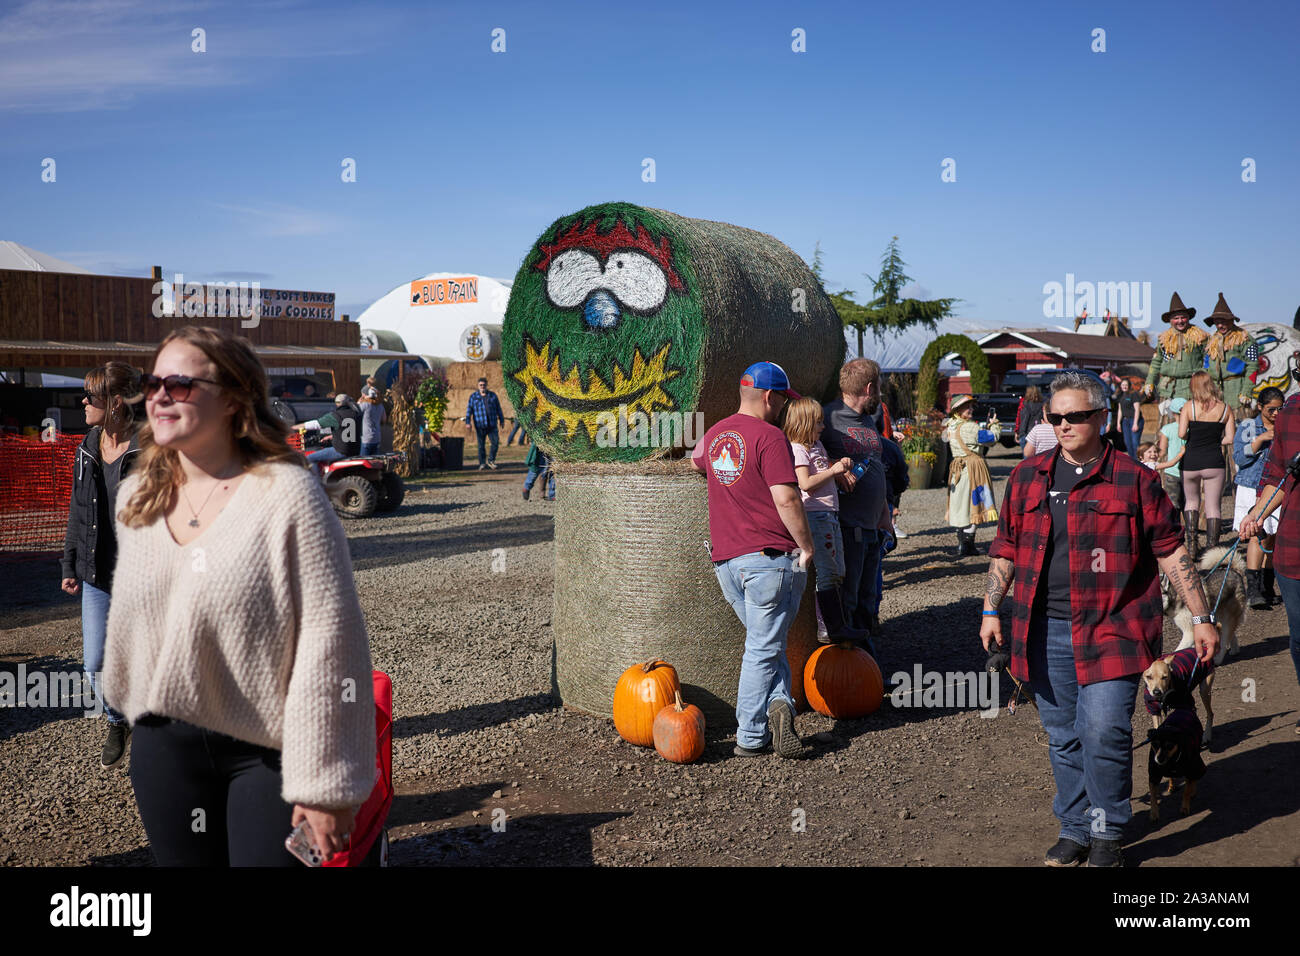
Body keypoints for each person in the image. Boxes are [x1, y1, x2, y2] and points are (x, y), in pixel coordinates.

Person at [103, 326, 375, 866]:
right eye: (151, 381)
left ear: (232, 397)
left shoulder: (287, 495)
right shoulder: (137, 496)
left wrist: (327, 784)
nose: (157, 395)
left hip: (267, 756)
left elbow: (331, 641)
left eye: (178, 384)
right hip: (164, 747)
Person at [982, 369, 1218, 867]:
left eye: (1076, 416)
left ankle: (1108, 829)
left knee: (1106, 730)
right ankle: (1075, 827)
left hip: (1115, 625)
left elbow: (1171, 552)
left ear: (1102, 416)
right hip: (1042, 629)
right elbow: (1005, 549)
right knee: (1063, 736)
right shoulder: (1027, 477)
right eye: (1056, 417)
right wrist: (989, 608)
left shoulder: (1136, 478)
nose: (1064, 425)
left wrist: (1201, 618)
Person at [692, 361, 813, 758]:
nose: (782, 409)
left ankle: (780, 704)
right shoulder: (770, 437)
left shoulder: (714, 434)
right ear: (768, 396)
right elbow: (787, 497)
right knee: (761, 649)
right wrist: (807, 546)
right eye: (781, 400)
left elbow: (696, 460)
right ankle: (750, 736)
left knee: (766, 644)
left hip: (726, 562)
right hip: (769, 561)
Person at [60, 362, 143, 768]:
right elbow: (77, 509)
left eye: (90, 397)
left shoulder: (152, 448)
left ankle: (150, 730)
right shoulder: (87, 445)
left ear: (113, 404)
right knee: (95, 662)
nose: (83, 402)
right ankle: (117, 718)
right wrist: (68, 565)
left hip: (142, 577)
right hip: (96, 573)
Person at [781, 396, 866, 645]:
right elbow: (805, 483)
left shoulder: (816, 446)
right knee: (828, 573)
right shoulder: (798, 449)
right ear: (805, 424)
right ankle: (830, 627)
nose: (823, 427)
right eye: (818, 422)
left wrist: (840, 465)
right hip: (816, 516)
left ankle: (833, 624)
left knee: (838, 570)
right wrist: (834, 471)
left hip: (829, 515)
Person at [820, 359, 894, 641]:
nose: (879, 394)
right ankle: (848, 670)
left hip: (872, 525)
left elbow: (874, 463)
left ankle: (868, 668)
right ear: (869, 387)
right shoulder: (828, 417)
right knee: (848, 601)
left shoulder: (867, 418)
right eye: (878, 388)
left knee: (869, 599)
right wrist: (833, 468)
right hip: (848, 527)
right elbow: (800, 454)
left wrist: (884, 512)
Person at [1240, 390, 1300, 732]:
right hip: (1293, 548)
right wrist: (1258, 513)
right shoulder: (1291, 412)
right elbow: (1278, 471)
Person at [1233, 387, 1285, 608]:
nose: (1275, 413)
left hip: (1276, 488)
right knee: (1257, 534)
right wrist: (1261, 439)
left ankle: (1266, 586)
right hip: (1253, 485)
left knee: (1273, 537)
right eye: (1271, 409)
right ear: (1260, 407)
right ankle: (1253, 589)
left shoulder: (1286, 425)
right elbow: (1239, 458)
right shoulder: (1248, 426)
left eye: (1279, 409)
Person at [1178, 371, 1235, 560]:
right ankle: (1211, 550)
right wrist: (1215, 440)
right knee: (1213, 507)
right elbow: (1229, 438)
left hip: (1191, 460)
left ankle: (1192, 546)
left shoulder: (1189, 407)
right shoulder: (1225, 409)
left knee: (1191, 502)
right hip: (1214, 461)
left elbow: (1181, 434)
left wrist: (1192, 436)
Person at [943, 394, 997, 556]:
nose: (971, 409)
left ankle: (962, 543)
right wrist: (994, 426)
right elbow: (991, 439)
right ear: (958, 410)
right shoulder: (969, 427)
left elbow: (946, 438)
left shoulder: (950, 425)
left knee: (961, 505)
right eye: (967, 407)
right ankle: (967, 545)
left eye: (971, 406)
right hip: (973, 467)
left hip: (958, 468)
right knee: (975, 504)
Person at [1203, 293, 1260, 422]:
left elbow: (1253, 366)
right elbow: (1206, 365)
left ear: (1231, 321)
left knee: (1238, 426)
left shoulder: (1245, 339)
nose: (1220, 326)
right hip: (1215, 393)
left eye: (1223, 322)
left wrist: (1246, 391)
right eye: (1217, 322)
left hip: (1237, 392)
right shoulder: (1212, 341)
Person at [1144, 292, 1207, 403]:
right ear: (1170, 320)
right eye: (1176, 318)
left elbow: (1208, 359)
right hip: (1168, 389)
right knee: (1168, 420)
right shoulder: (1164, 339)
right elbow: (1157, 362)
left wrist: (1201, 374)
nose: (1180, 321)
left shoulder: (1199, 336)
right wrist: (1149, 382)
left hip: (1192, 388)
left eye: (1183, 317)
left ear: (1188, 318)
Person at [302, 393, 362, 471]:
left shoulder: (336, 415)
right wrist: (331, 436)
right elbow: (348, 432)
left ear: (337, 404)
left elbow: (316, 424)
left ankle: (316, 480)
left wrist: (295, 427)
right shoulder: (356, 414)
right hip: (355, 450)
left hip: (341, 451)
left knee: (309, 458)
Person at [464, 376, 506, 470]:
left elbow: (498, 408)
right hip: (480, 425)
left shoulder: (493, 395)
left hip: (492, 424)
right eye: (480, 385)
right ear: (478, 386)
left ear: (487, 385)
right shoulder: (474, 396)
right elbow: (469, 410)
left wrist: (502, 420)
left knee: (495, 443)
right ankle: (482, 463)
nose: (482, 386)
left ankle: (491, 460)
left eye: (484, 385)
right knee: (481, 446)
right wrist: (468, 422)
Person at [1153, 398, 1187, 510]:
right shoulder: (1190, 428)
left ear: (1172, 412)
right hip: (1189, 471)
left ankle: (1174, 527)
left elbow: (1162, 452)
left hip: (1171, 472)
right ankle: (1190, 527)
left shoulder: (1166, 429)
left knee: (1173, 505)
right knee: (1188, 504)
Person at [1117, 378, 1144, 459]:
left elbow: (1137, 410)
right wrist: (1118, 423)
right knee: (1127, 443)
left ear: (1129, 386)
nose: (1124, 386)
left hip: (1134, 420)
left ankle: (1138, 461)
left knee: (1135, 443)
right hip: (1125, 421)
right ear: (1120, 386)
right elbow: (1120, 410)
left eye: (1126, 385)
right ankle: (1132, 460)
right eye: (1123, 385)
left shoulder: (1134, 394)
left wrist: (1135, 423)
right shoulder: (1121, 396)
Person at [358, 384, 387, 457]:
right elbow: (384, 420)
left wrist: (358, 403)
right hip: (377, 437)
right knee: (375, 463)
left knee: (364, 463)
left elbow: (355, 414)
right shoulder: (381, 406)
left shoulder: (364, 405)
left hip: (366, 438)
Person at [1017, 385, 1045, 451]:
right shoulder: (1043, 405)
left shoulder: (1025, 405)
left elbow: (1024, 420)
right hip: (1039, 435)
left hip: (1026, 434)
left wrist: (1020, 434)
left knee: (1027, 459)